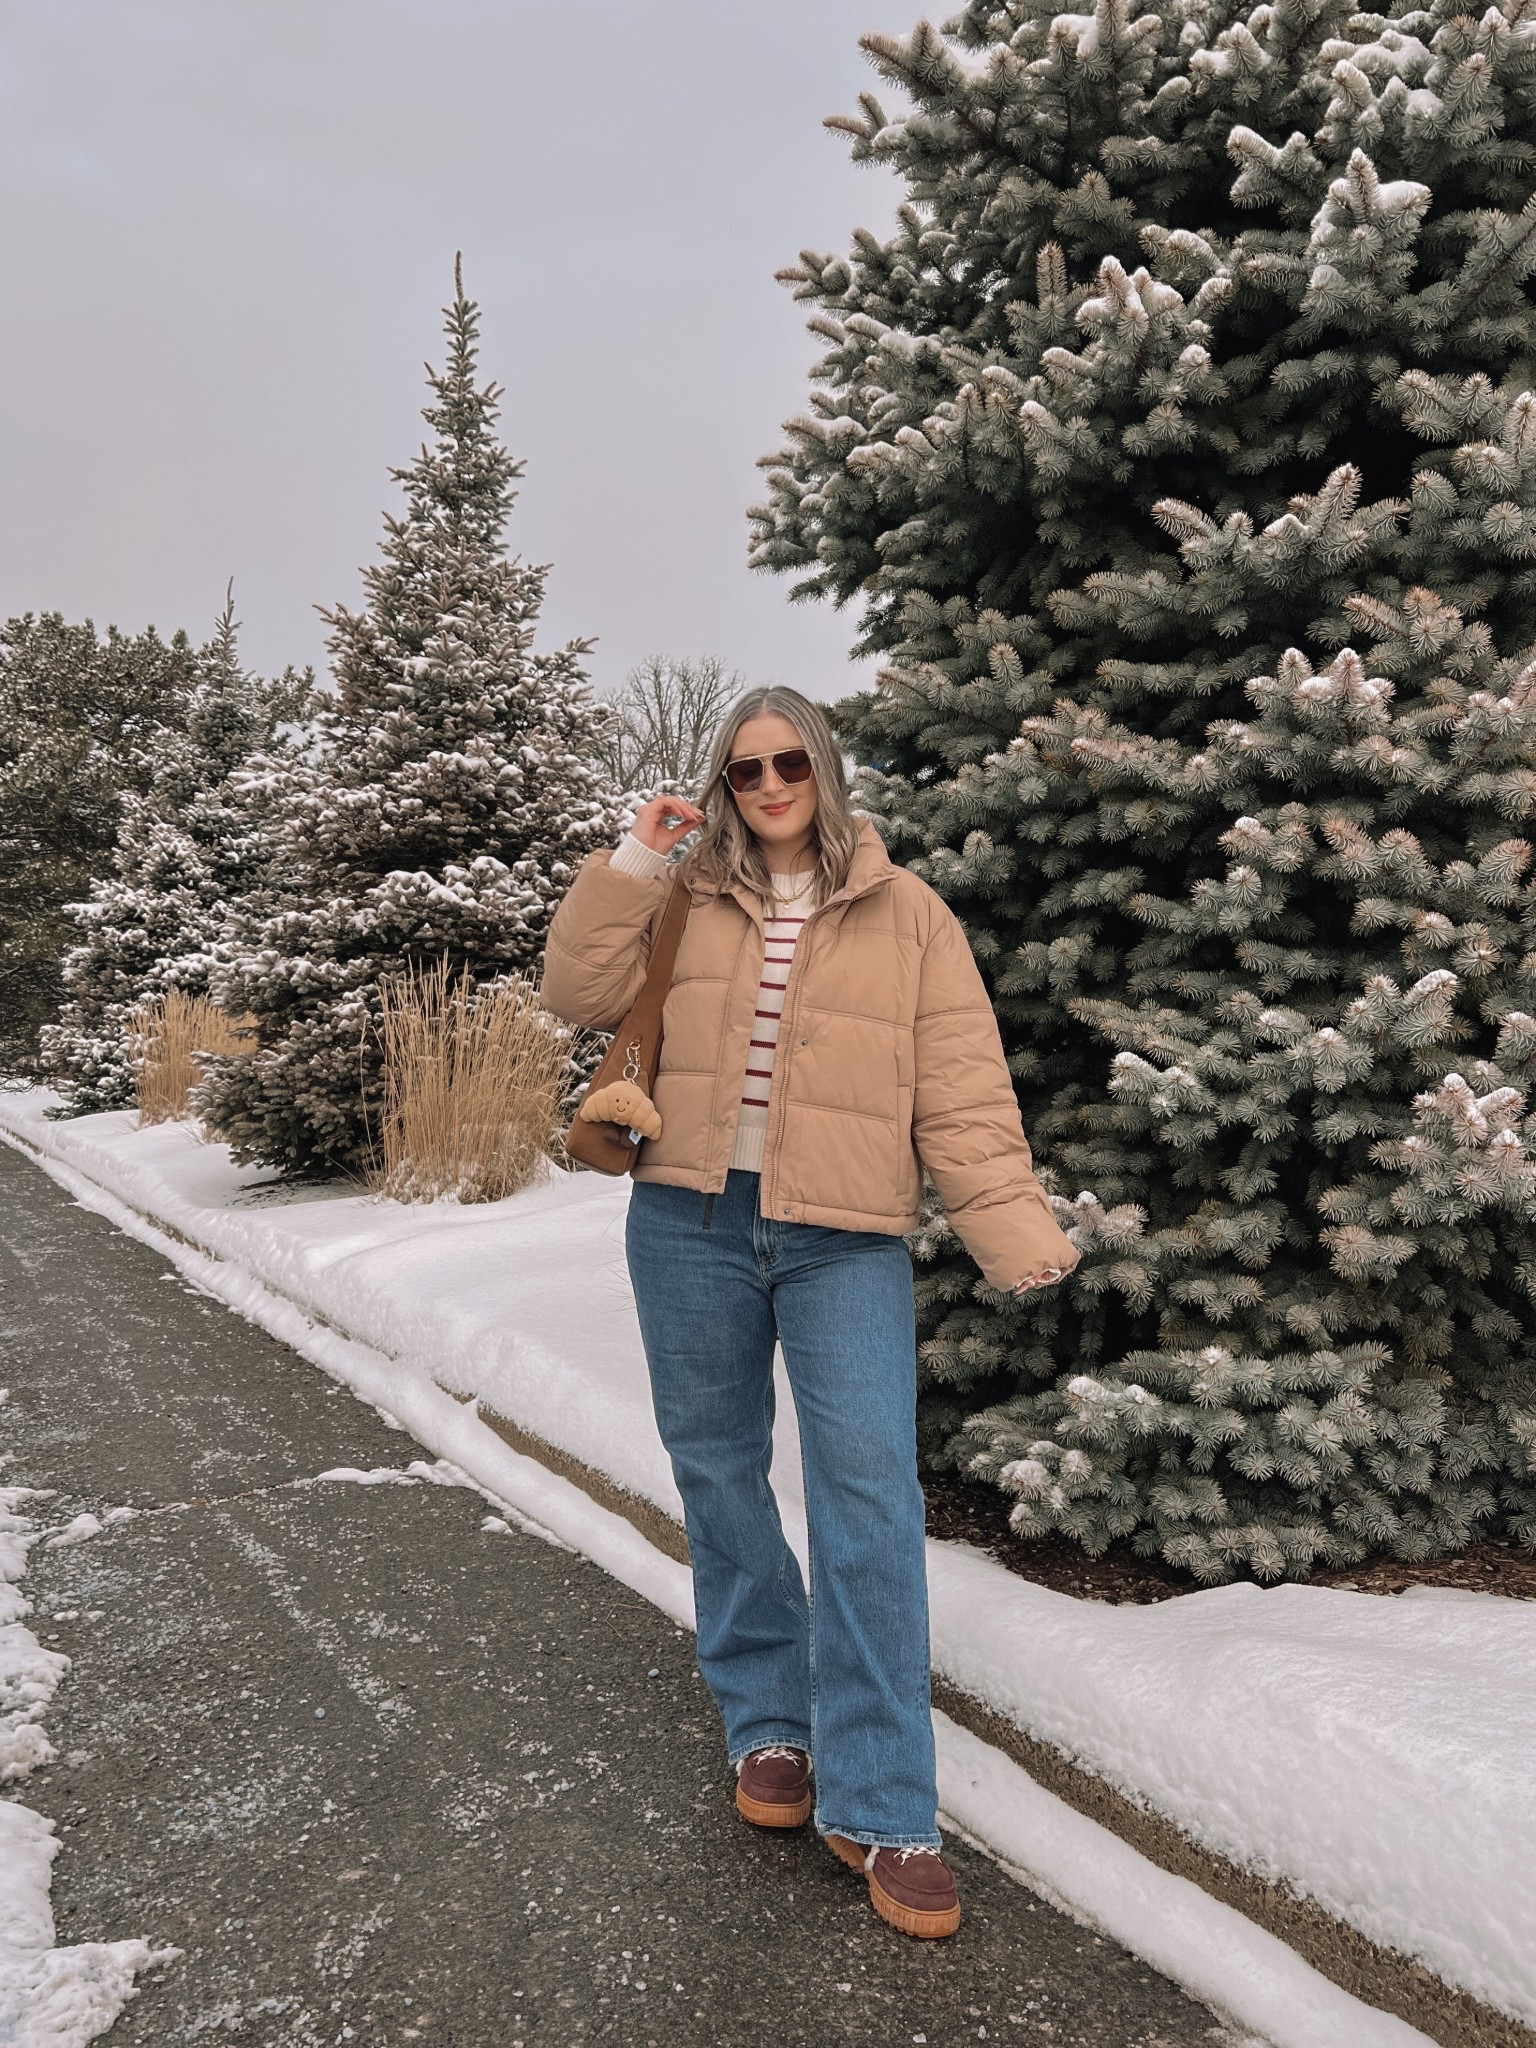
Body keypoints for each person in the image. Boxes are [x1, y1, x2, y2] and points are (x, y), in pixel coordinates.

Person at [542, 685, 1078, 1940]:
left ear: (823, 770)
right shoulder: (685, 894)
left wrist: (1011, 1228)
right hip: (688, 1220)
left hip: (845, 1236)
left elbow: (963, 1083)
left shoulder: (910, 912)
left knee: (870, 1494)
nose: (771, 784)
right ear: (723, 785)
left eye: (789, 762)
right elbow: (578, 987)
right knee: (718, 1468)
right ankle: (770, 1720)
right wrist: (636, 857)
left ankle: (885, 1801)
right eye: (746, 769)